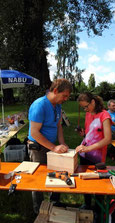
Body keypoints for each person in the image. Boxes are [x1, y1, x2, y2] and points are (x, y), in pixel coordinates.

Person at [27, 78, 72, 214]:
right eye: (64, 96)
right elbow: (34, 133)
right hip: (38, 148)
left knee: (58, 174)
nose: (65, 99)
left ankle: (54, 203)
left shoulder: (57, 106)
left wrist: (62, 143)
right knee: (38, 178)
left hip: (51, 146)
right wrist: (54, 148)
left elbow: (58, 126)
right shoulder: (39, 105)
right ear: (56, 91)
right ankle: (39, 210)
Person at [75, 92, 112, 209]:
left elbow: (107, 139)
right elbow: (90, 134)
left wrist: (89, 148)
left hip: (97, 157)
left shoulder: (104, 115)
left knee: (98, 184)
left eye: (86, 106)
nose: (85, 109)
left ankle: (98, 208)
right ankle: (87, 204)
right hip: (85, 154)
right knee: (85, 181)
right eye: (83, 108)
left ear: (93, 102)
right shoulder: (88, 114)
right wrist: (83, 134)